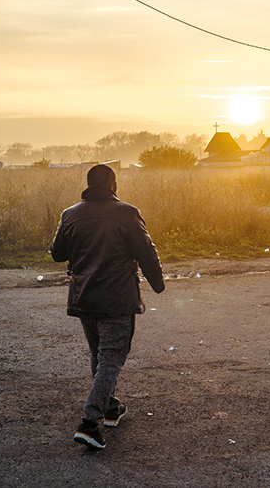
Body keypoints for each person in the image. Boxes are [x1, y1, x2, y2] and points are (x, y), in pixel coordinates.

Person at [51, 164, 165, 448]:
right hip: (117, 298)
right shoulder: (127, 213)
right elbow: (146, 253)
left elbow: (57, 254)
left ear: (88, 185)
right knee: (112, 357)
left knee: (99, 354)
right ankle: (90, 423)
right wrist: (158, 283)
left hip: (84, 296)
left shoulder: (70, 214)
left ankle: (111, 407)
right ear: (114, 185)